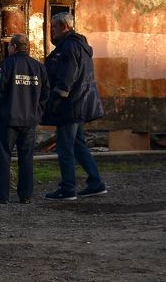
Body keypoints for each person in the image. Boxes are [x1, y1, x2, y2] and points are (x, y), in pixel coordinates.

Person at [42, 12, 107, 201]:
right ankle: (96, 183)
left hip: (70, 105)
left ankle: (68, 188)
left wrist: (56, 98)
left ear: (65, 26)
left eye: (54, 26)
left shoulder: (69, 47)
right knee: (78, 144)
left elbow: (68, 76)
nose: (52, 31)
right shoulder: (78, 45)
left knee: (65, 147)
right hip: (79, 103)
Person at [0, 33, 49, 205]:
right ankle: (25, 195)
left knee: (3, 157)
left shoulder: (7, 65)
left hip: (8, 120)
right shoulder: (38, 67)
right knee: (26, 158)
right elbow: (45, 94)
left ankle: (1, 195)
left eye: (9, 46)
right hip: (29, 121)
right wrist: (37, 113)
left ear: (13, 47)